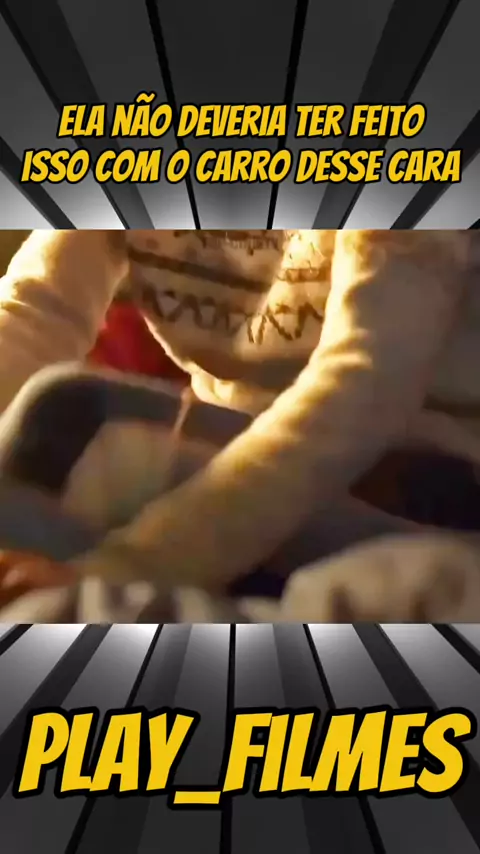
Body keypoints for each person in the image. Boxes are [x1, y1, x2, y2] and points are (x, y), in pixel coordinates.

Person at [0, 228, 480, 622]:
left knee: (70, 419)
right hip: (220, 465)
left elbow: (365, 383)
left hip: (418, 487)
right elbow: (37, 311)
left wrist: (122, 571)